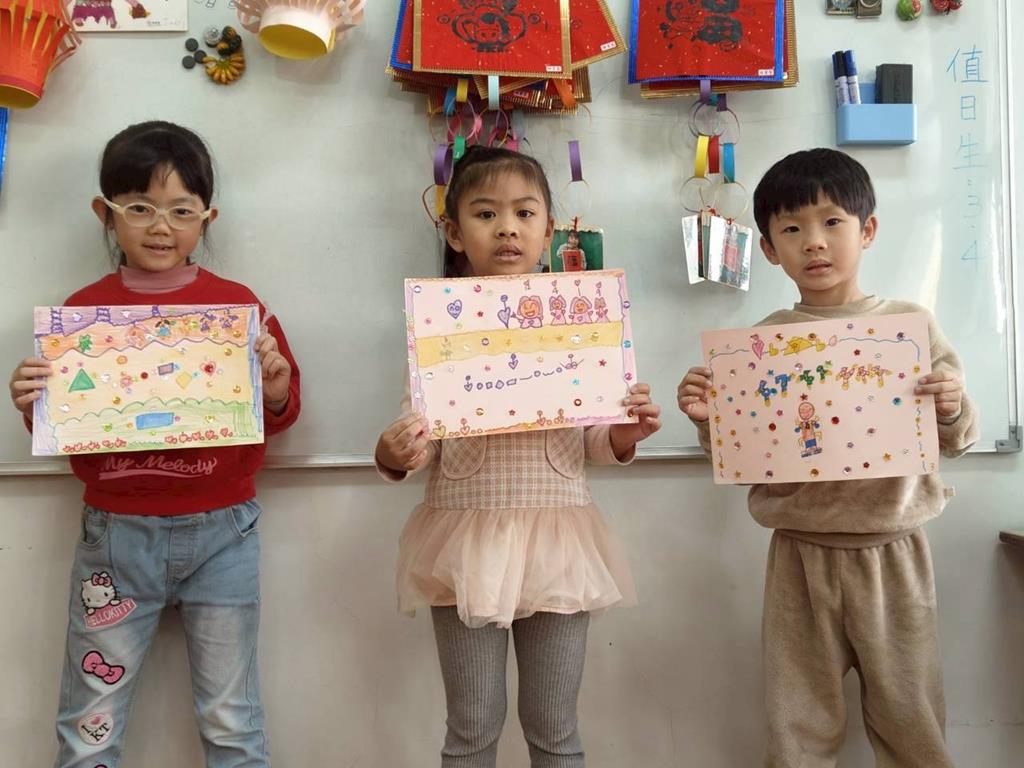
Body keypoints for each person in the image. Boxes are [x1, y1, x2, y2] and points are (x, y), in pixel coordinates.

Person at [8, 121, 300, 768]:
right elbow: (74, 435)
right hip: (116, 535)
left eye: (181, 210)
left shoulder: (239, 309)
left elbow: (279, 415)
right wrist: (34, 404)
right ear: (105, 214)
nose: (161, 226)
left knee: (232, 719)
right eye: (139, 208)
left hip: (224, 532)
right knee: (90, 720)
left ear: (207, 217)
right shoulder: (80, 316)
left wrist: (276, 387)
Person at [677, 148, 978, 768]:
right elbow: (742, 455)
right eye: (791, 229)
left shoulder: (909, 326)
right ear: (768, 249)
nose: (813, 242)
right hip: (800, 553)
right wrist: (708, 421)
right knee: (797, 721)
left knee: (912, 718)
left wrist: (951, 406)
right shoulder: (761, 344)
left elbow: (958, 436)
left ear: (867, 230)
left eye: (832, 222)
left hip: (892, 550)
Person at [376, 145, 661, 767]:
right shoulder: (439, 324)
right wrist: (393, 452)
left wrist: (625, 433)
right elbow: (418, 436)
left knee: (555, 726)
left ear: (548, 231)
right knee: (472, 725)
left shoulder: (578, 319)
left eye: (524, 213)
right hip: (464, 543)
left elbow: (594, 441)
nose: (507, 228)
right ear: (454, 232)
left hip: (558, 541)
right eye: (486, 214)